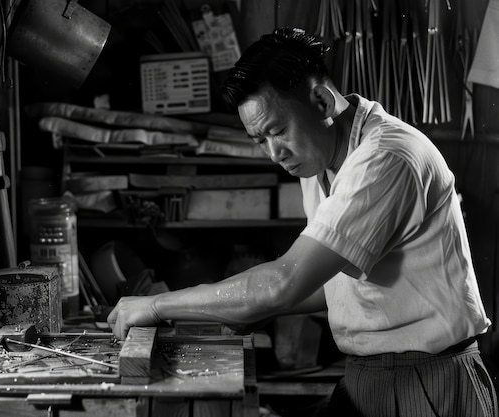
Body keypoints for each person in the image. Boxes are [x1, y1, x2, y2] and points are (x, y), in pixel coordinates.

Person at [107, 27, 498, 417]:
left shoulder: (386, 158)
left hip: (430, 383)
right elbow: (328, 283)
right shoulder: (318, 161)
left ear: (322, 102)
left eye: (277, 131)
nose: (275, 153)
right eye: (259, 140)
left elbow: (283, 282)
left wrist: (158, 305)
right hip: (369, 376)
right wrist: (247, 307)